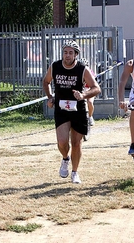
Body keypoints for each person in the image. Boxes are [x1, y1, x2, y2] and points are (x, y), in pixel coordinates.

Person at [42, 40, 101, 184]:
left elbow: (96, 88)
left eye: (70, 53)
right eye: (65, 52)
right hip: (61, 108)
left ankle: (75, 172)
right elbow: (46, 81)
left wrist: (83, 95)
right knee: (62, 142)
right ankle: (65, 158)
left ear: (76, 55)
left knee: (76, 143)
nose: (67, 56)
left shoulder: (82, 69)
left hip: (78, 109)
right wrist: (50, 97)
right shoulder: (55, 66)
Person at [79, 58, 97, 126]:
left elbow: (94, 85)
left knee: (89, 102)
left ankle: (90, 116)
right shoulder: (77, 72)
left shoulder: (90, 72)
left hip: (89, 89)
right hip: (81, 90)